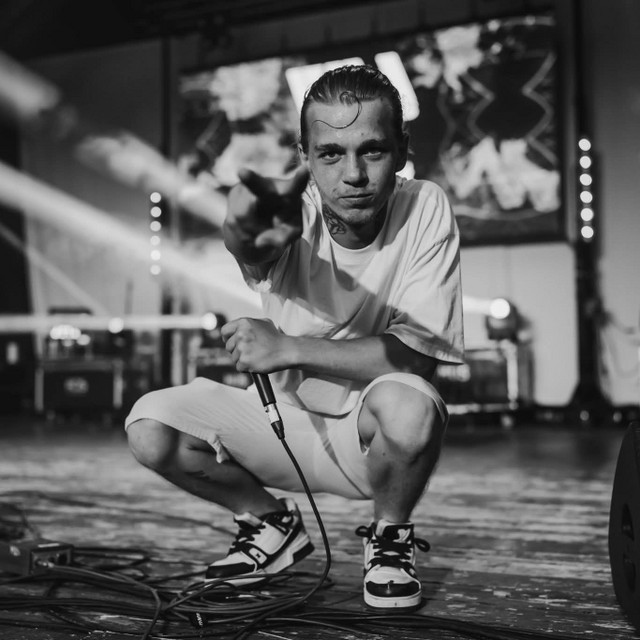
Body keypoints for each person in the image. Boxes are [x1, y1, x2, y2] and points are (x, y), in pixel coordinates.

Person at [126, 64, 464, 611]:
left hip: (368, 438)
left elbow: (417, 357)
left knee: (411, 403)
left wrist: (291, 349)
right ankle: (270, 524)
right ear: (304, 155)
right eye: (330, 153)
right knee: (150, 427)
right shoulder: (287, 213)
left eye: (372, 150)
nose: (353, 174)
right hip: (281, 427)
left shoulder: (424, 205)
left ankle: (389, 535)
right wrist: (241, 227)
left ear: (402, 149)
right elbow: (250, 240)